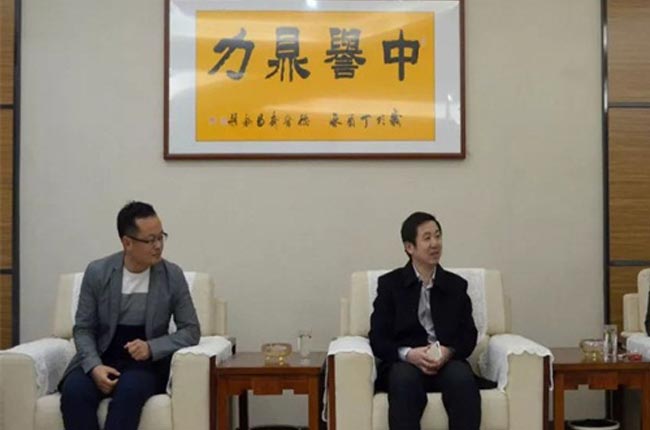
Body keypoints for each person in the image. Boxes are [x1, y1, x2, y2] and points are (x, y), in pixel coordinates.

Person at [59, 201, 200, 430]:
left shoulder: (172, 275)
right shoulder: (97, 272)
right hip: (102, 354)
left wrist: (151, 347)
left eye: (161, 237)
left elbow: (191, 330)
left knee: (129, 392)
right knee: (74, 392)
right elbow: (83, 329)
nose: (158, 246)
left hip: (143, 364)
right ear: (127, 243)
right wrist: (94, 367)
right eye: (150, 240)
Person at [369, 212, 480, 430]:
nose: (435, 244)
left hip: (446, 362)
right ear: (409, 247)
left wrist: (448, 351)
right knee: (403, 379)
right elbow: (378, 338)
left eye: (438, 236)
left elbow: (468, 335)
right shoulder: (390, 285)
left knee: (462, 378)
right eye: (427, 238)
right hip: (405, 363)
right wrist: (408, 354)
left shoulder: (456, 286)